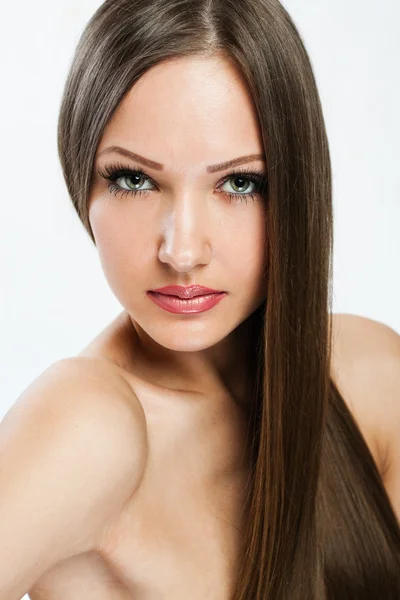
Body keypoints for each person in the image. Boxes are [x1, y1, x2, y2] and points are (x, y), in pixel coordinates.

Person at [1, 0, 400, 599]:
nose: (182, 251)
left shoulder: (367, 373)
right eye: (134, 179)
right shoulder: (89, 426)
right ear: (80, 176)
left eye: (240, 183)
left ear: (297, 186)